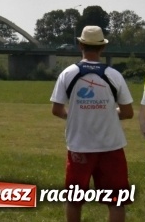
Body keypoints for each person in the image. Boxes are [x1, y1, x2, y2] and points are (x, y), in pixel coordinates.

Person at [50, 26, 134, 222]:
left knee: (74, 199)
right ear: (102, 48)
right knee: (116, 200)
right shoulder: (114, 75)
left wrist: (75, 115)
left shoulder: (67, 73)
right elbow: (128, 112)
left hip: (79, 146)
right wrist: (110, 114)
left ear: (80, 45)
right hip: (111, 146)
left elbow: (56, 109)